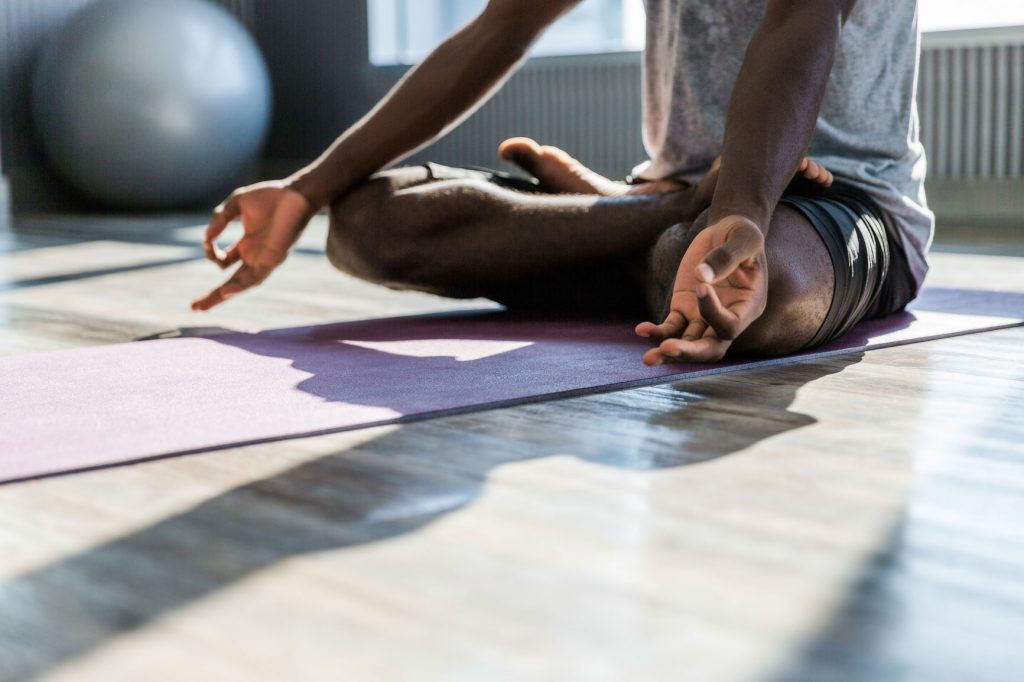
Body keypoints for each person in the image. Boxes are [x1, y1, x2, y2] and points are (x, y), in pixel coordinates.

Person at [192, 0, 933, 366]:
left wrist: (741, 203)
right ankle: (672, 221)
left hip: (837, 200)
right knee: (366, 225)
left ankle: (673, 239)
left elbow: (803, 17)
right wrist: (307, 190)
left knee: (742, 293)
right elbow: (496, 30)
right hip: (664, 200)